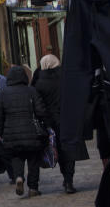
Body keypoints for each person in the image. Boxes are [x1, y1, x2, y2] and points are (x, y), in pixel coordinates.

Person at [34, 54, 86, 194]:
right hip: (68, 118)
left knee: (59, 150)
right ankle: (69, 179)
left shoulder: (39, 82)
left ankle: (66, 178)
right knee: (69, 150)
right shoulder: (66, 78)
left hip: (50, 122)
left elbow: (38, 104)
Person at [0, 66, 50, 198]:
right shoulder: (31, 91)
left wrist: (0, 132)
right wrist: (47, 125)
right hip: (32, 132)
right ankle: (33, 187)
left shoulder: (3, 93)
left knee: (16, 158)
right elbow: (41, 111)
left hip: (11, 133)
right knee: (33, 160)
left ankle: (19, 177)